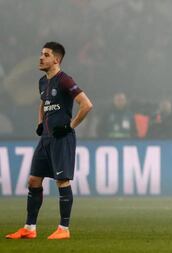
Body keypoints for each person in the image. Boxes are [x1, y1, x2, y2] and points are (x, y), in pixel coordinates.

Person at [6, 42, 93, 240]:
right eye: (41, 54)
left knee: (62, 181)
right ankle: (29, 228)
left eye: (46, 54)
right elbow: (43, 104)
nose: (41, 57)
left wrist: (70, 126)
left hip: (62, 138)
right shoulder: (43, 82)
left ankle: (64, 229)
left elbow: (86, 105)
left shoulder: (65, 80)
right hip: (46, 138)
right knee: (33, 181)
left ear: (56, 59)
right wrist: (40, 123)